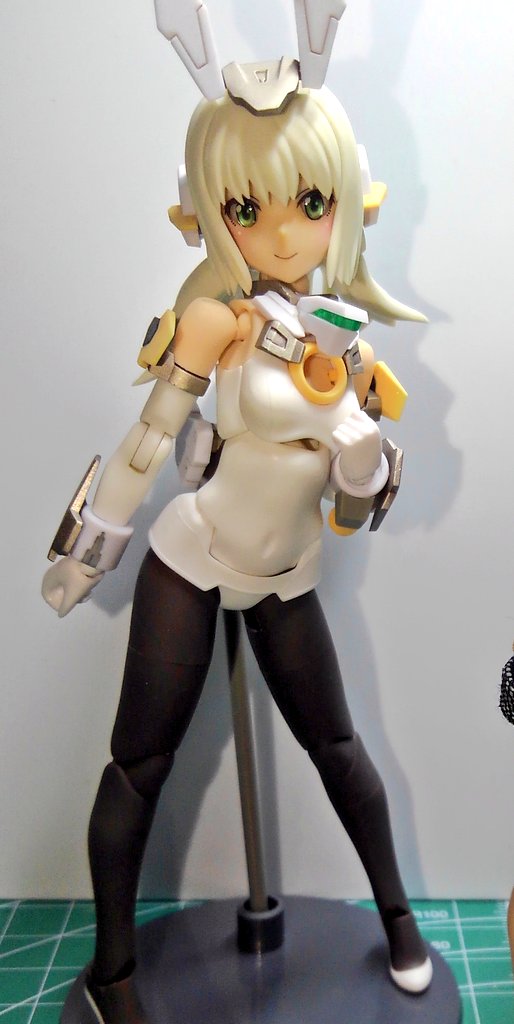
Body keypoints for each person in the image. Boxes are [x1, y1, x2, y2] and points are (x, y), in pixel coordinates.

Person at [42, 7, 432, 1022]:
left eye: (310, 200)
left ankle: (399, 921)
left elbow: (354, 509)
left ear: (343, 199)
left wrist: (359, 465)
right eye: (246, 207)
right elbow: (148, 440)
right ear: (212, 213)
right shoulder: (218, 320)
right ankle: (113, 974)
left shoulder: (352, 352)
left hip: (285, 570)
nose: (283, 233)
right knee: (140, 764)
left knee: (340, 750)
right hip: (196, 552)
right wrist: (87, 552)